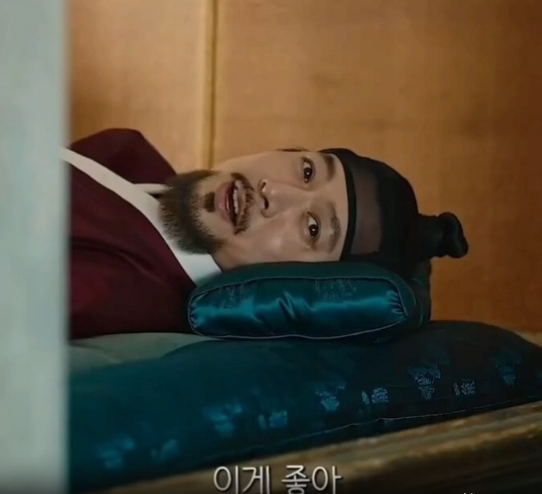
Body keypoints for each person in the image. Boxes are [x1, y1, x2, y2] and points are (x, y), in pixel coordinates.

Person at [66, 128, 468, 339]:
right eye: (307, 171)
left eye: (312, 227)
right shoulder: (132, 157)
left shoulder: (109, 293)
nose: (272, 192)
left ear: (294, 280)